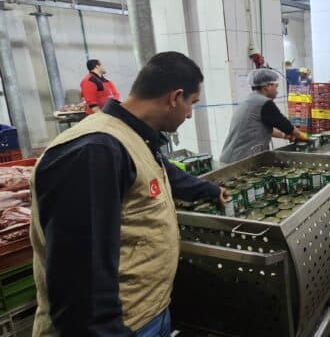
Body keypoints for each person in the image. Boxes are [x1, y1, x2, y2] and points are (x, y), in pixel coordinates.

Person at [31, 52, 228, 337]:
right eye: (192, 104)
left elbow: (162, 173)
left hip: (149, 313)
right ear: (175, 97)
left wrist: (210, 190)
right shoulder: (93, 151)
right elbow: (79, 285)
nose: (189, 114)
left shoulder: (132, 135)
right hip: (121, 327)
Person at [220, 69, 307, 163]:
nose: (277, 91)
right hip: (239, 160)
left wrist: (284, 135)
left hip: (232, 157)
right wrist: (305, 137)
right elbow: (286, 126)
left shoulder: (251, 100)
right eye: (276, 86)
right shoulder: (264, 103)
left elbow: (261, 128)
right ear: (267, 87)